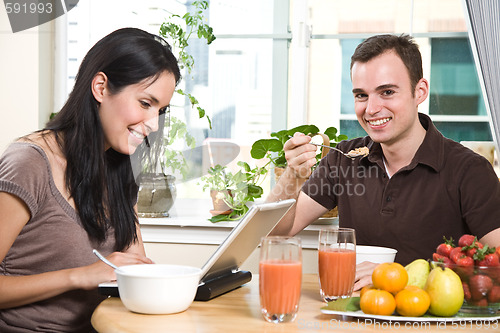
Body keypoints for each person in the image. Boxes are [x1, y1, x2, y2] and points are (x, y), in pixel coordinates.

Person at [268, 34, 500, 291]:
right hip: (354, 315)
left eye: (387, 92)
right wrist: (292, 175)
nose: (371, 109)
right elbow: (276, 233)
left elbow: (497, 268)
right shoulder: (343, 159)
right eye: (361, 95)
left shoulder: (470, 171)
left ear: (419, 91)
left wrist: (394, 276)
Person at [0, 27, 181, 332]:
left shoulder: (120, 168)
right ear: (100, 87)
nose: (153, 123)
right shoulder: (29, 163)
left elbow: (133, 265)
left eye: (161, 110)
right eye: (145, 103)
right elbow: (94, 274)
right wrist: (79, 276)